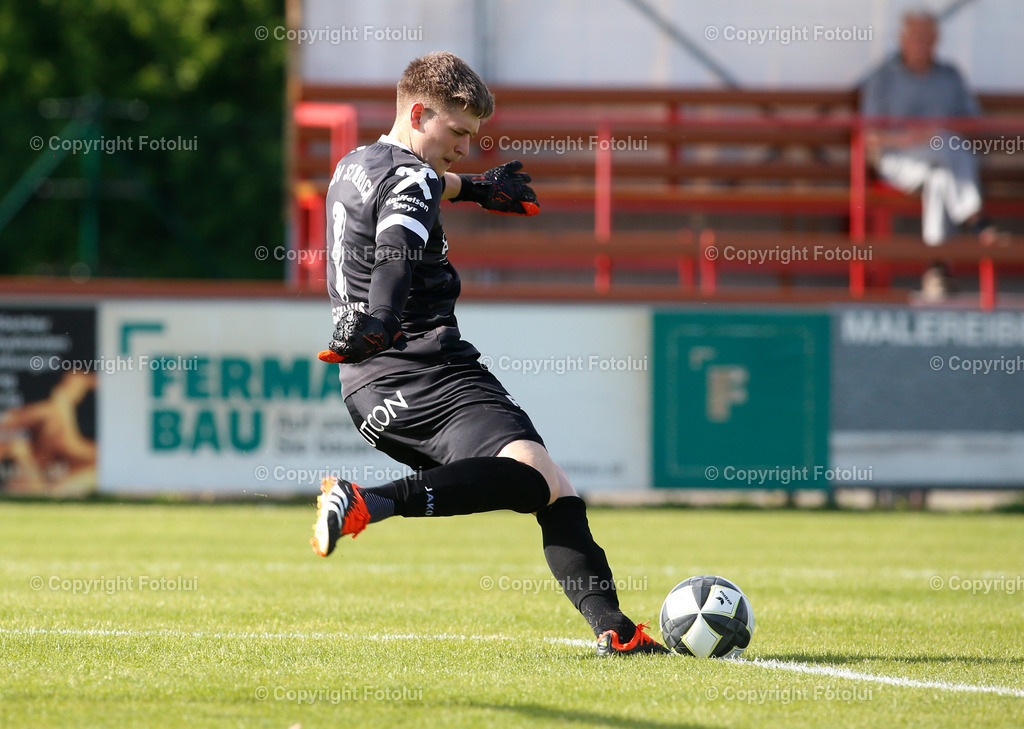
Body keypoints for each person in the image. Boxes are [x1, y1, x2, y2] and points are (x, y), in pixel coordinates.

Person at [309, 51, 667, 656]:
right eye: (458, 133)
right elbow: (397, 246)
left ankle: (616, 629)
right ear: (420, 113)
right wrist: (385, 317)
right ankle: (366, 502)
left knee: (552, 485)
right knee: (536, 480)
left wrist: (475, 188)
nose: (467, 148)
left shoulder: (356, 163)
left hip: (367, 389)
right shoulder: (412, 182)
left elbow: (421, 185)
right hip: (424, 367)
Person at [861, 10, 997, 299]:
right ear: (902, 39)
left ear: (937, 40)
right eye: (916, 37)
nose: (921, 44)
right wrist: (908, 138)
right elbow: (869, 135)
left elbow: (974, 125)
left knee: (941, 171)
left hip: (944, 160)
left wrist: (937, 132)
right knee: (946, 145)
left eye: (927, 38)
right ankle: (975, 217)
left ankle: (938, 268)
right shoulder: (882, 78)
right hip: (898, 159)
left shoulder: (950, 76)